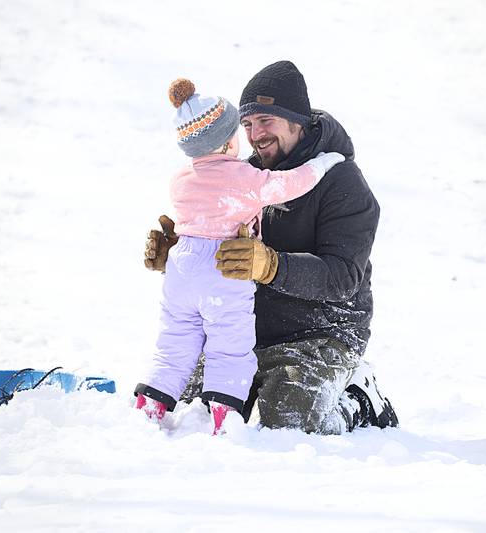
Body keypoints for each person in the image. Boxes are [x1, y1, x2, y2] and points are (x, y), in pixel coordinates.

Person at [145, 61, 398, 434]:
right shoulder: (248, 175)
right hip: (245, 329)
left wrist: (271, 266)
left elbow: (343, 276)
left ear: (297, 119)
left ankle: (358, 400)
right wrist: (180, 253)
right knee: (188, 412)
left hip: (321, 333)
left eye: (266, 120)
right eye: (246, 125)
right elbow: (219, 246)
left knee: (287, 424)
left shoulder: (342, 182)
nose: (255, 134)